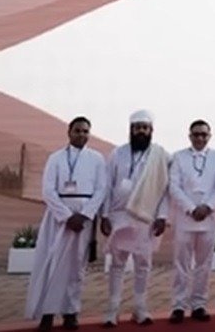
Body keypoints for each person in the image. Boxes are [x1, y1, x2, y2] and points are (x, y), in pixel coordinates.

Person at [26, 116, 108, 332]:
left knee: (76, 269)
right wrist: (66, 216)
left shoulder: (97, 159)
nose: (82, 135)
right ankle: (47, 313)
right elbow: (48, 190)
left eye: (85, 131)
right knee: (51, 265)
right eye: (78, 131)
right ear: (69, 132)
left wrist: (84, 215)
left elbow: (101, 190)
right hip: (58, 219)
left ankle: (71, 312)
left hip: (83, 220)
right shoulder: (55, 158)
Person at [100, 110, 170, 328]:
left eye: (145, 127)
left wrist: (162, 216)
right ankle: (112, 310)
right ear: (130, 129)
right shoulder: (117, 154)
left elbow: (165, 190)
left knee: (143, 265)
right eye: (137, 127)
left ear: (151, 131)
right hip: (119, 217)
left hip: (145, 218)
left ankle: (140, 308)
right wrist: (104, 215)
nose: (141, 131)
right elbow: (107, 187)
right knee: (117, 264)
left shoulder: (161, 156)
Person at [167, 119, 215, 324]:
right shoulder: (178, 157)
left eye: (203, 134)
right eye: (196, 134)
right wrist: (191, 208)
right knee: (181, 263)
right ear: (189, 136)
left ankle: (199, 304)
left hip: (209, 218)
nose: (200, 138)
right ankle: (178, 306)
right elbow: (174, 186)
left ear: (209, 136)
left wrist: (208, 206)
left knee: (204, 264)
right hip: (185, 218)